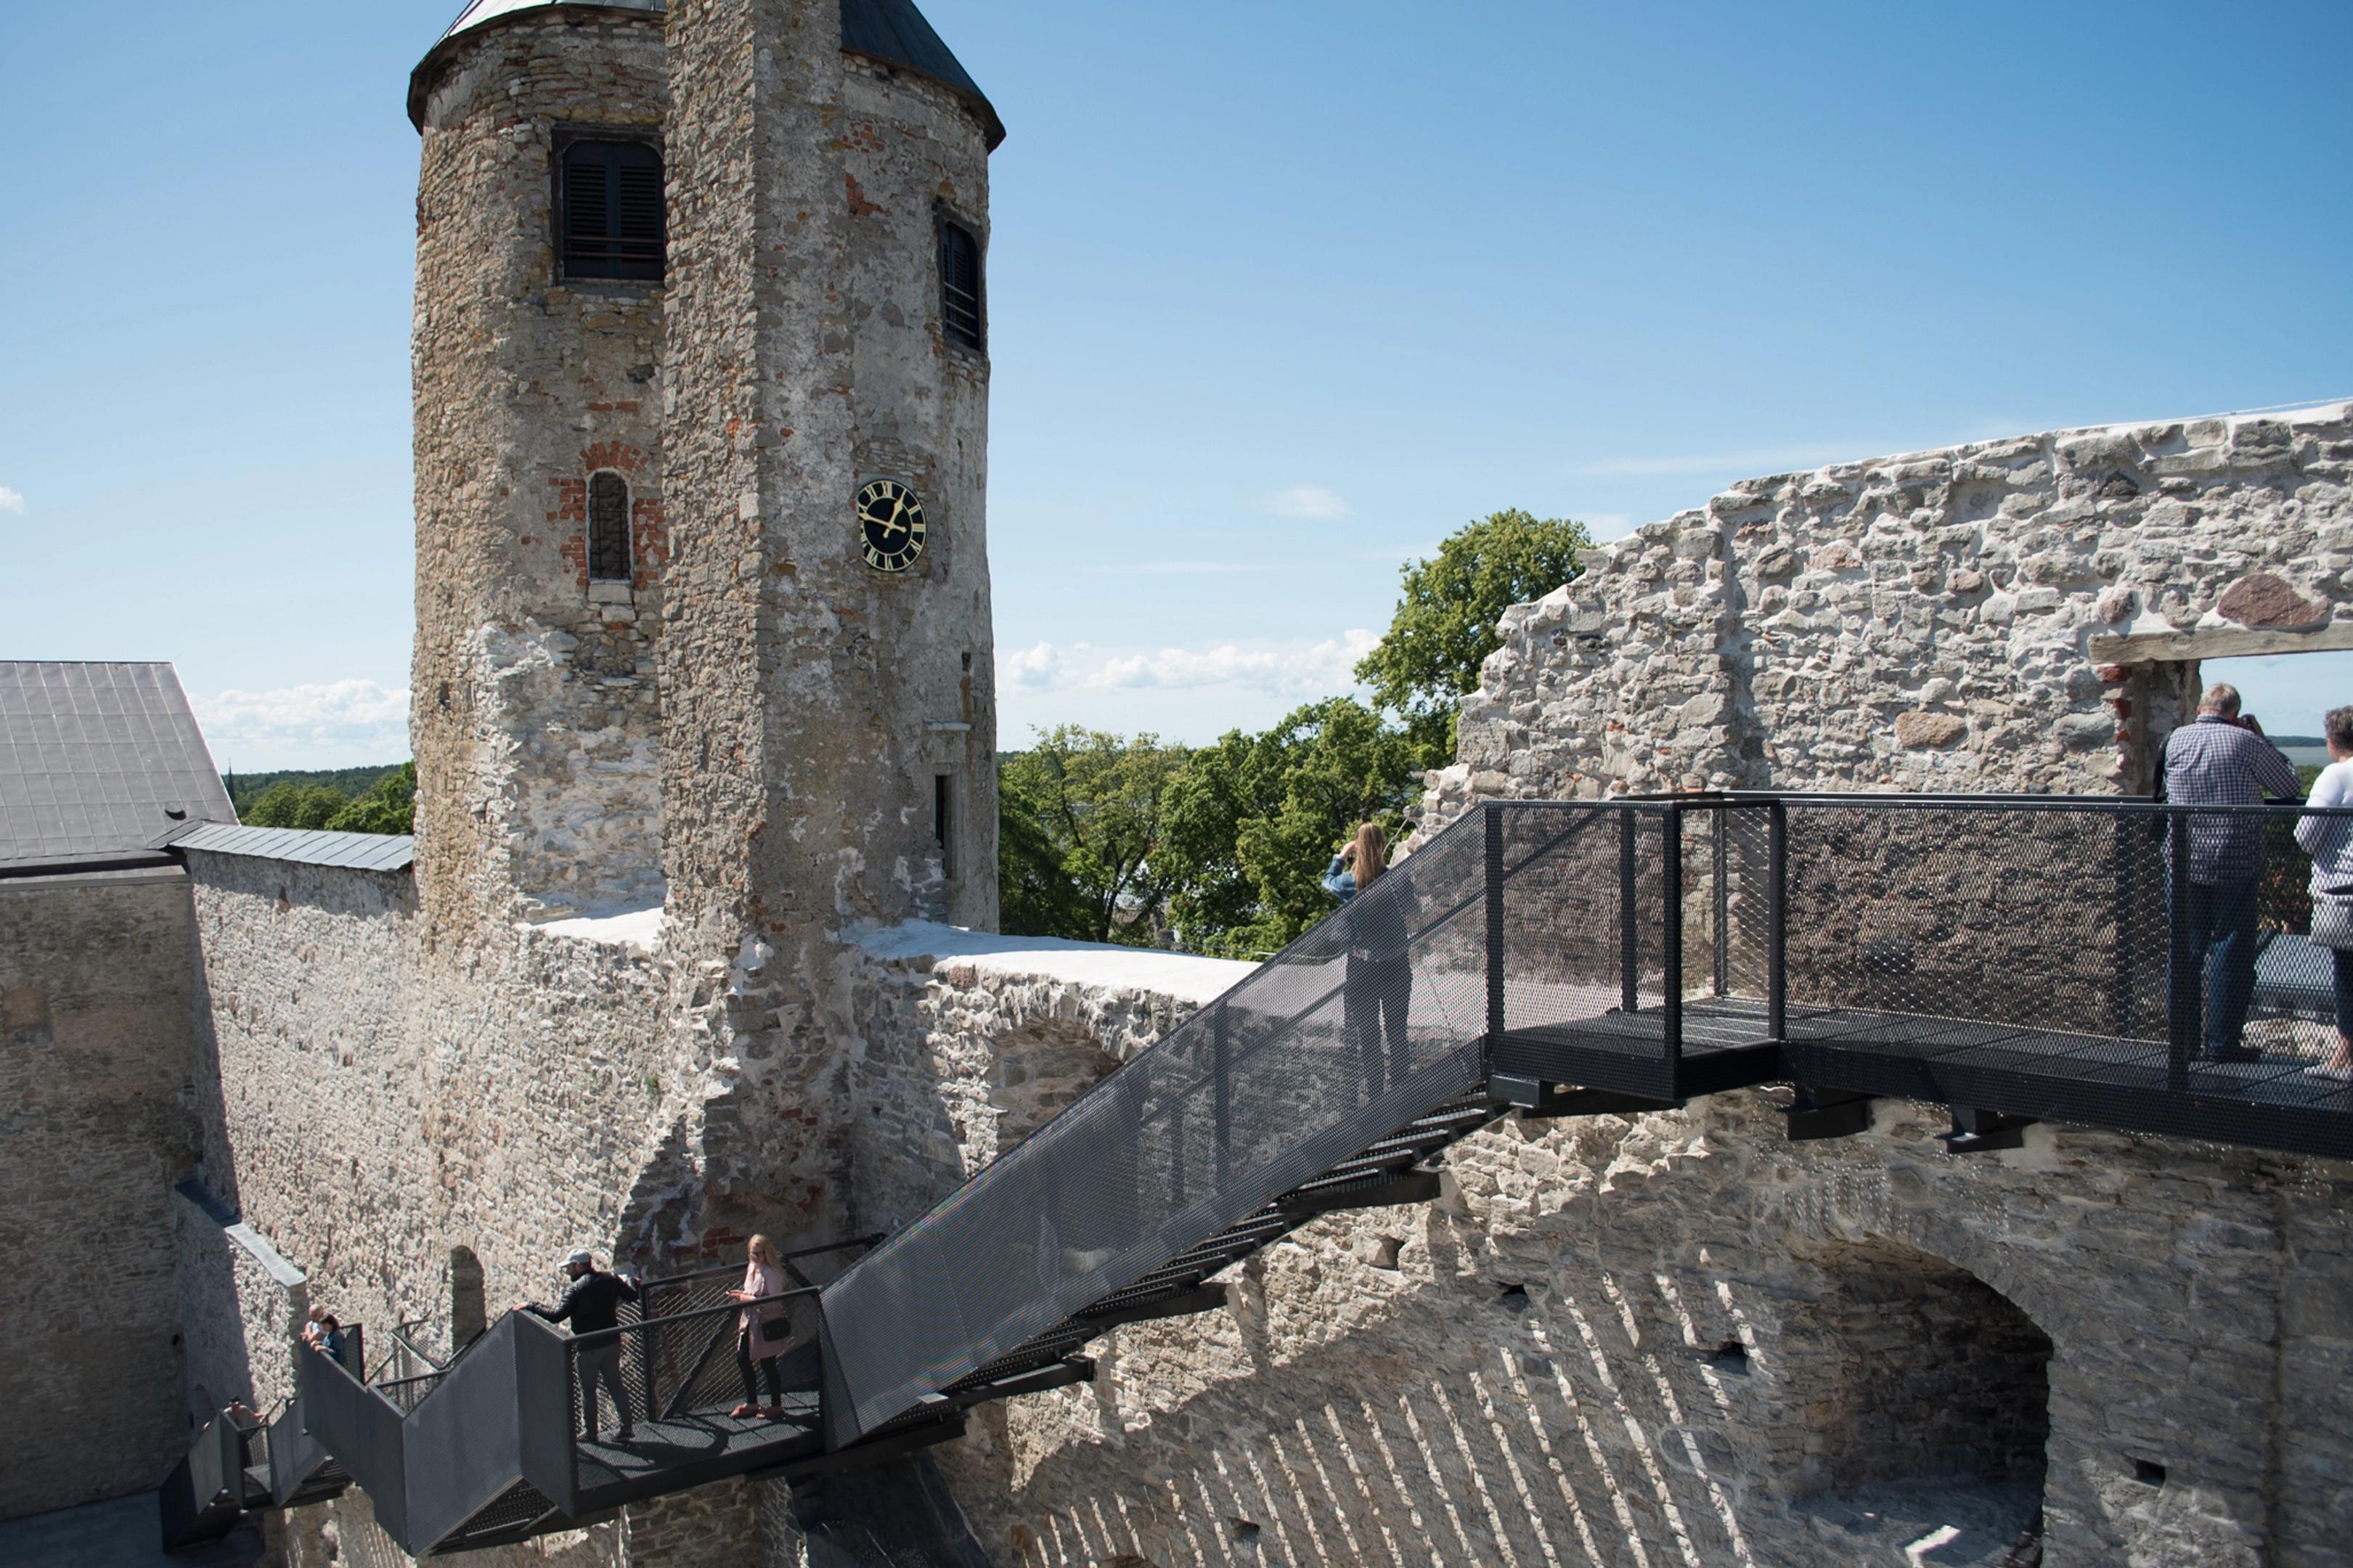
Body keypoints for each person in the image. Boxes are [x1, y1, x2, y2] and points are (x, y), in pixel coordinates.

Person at [2164, 683, 2304, 1063]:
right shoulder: (2245, 742)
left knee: (2185, 953)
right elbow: (2290, 787)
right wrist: (2261, 739)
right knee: (2231, 950)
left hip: (2182, 858)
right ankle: (2222, 1044)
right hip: (2234, 860)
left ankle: (2184, 1044)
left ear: (2201, 707)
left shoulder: (2175, 740)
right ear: (2235, 712)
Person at [1324, 822, 1416, 1098]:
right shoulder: (1397, 879)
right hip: (1396, 964)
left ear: (1358, 848)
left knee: (1368, 1035)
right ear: (1382, 845)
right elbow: (1411, 908)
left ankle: (1376, 1096)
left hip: (1361, 967)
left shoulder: (1348, 882)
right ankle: (1400, 1090)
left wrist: (1341, 856)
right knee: (1397, 1030)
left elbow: (1327, 882)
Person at [518, 1249, 640, 1442]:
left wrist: (531, 1305)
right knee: (615, 1385)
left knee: (589, 1390)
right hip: (611, 1341)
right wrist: (632, 1281)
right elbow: (632, 1296)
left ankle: (591, 1433)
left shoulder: (575, 1289)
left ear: (578, 1265)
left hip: (588, 1347)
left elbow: (557, 1315)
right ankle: (627, 1428)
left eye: (569, 1267)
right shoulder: (611, 1279)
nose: (567, 1271)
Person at [2296, 704, 2353, 1081]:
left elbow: (2305, 835)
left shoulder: (2335, 775)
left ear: (2332, 741)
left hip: (2344, 890)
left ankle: (2343, 1060)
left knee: (2347, 977)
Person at [727, 1235, 790, 1419]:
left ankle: (776, 1405)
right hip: (749, 1322)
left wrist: (746, 1299)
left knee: (768, 1364)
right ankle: (752, 1402)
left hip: (765, 1323)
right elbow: (750, 1292)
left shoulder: (771, 1273)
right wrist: (742, 1294)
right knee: (743, 1359)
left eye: (760, 1254)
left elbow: (774, 1302)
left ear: (766, 1253)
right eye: (753, 1254)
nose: (756, 1257)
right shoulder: (751, 1268)